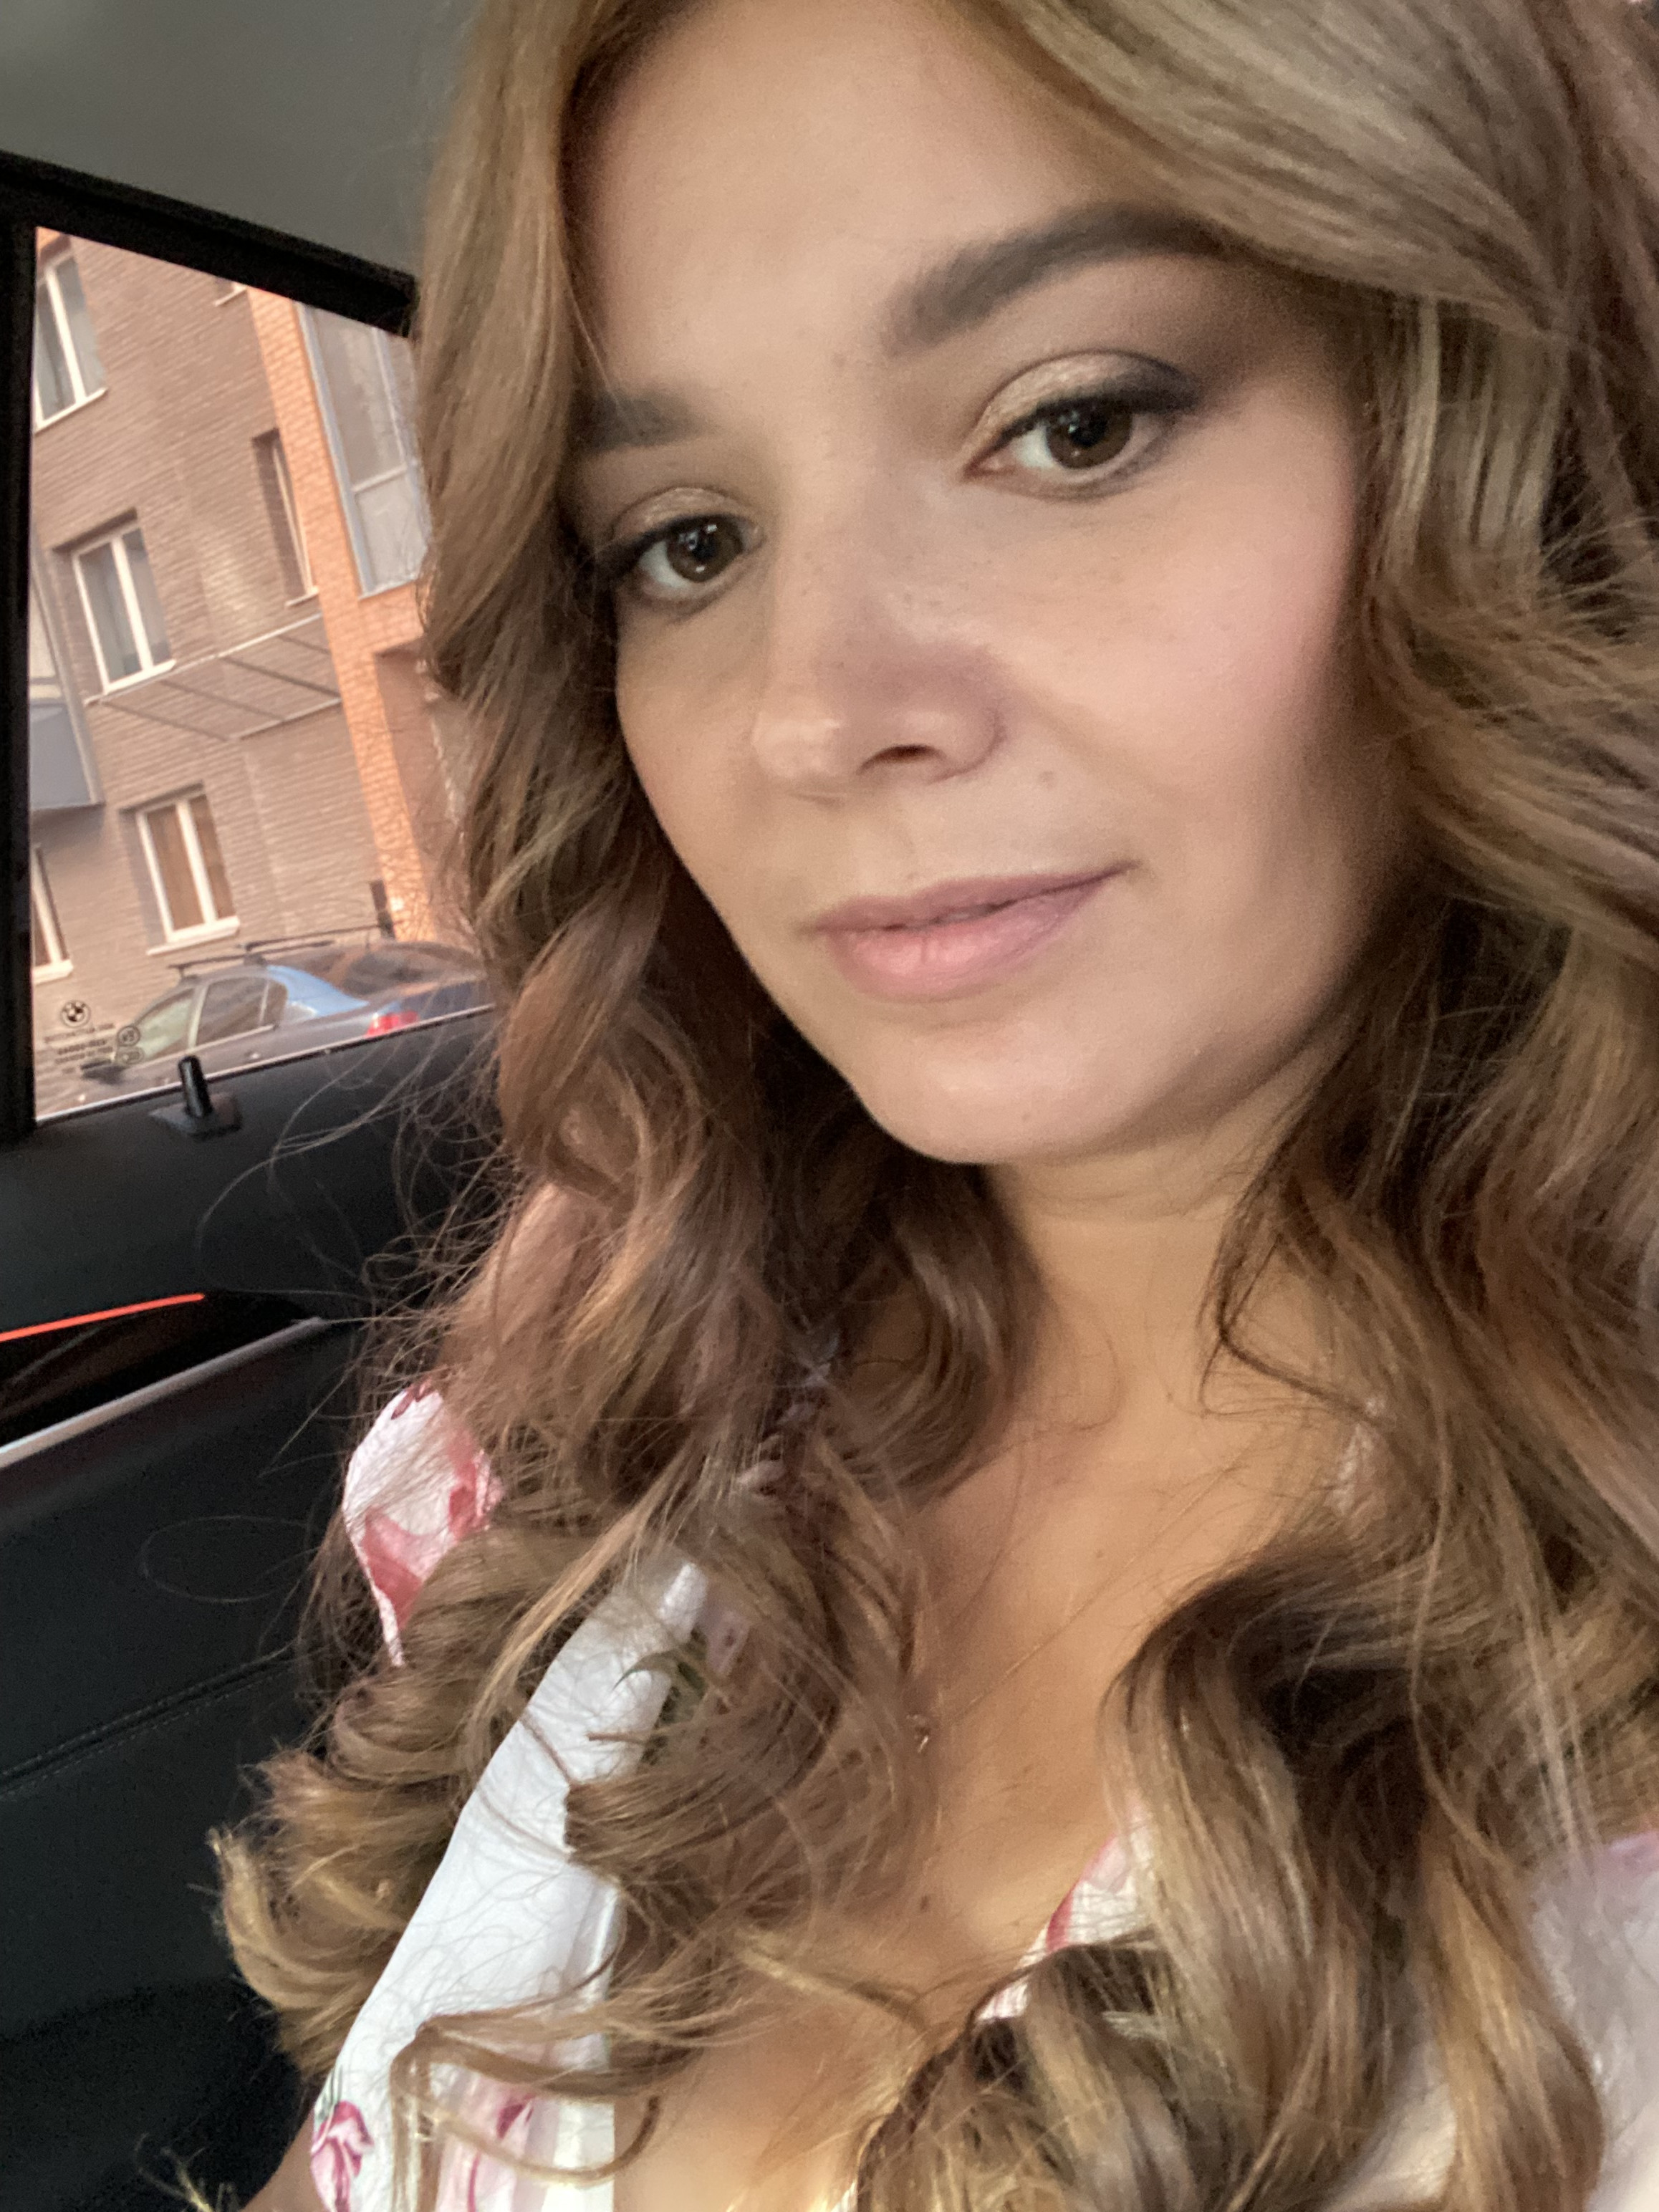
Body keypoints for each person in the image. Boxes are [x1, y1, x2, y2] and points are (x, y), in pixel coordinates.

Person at [230, 0, 1659, 2206]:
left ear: (1509, 446)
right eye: (684, 540)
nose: (816, 712)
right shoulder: (578, 1464)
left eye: (1072, 427)